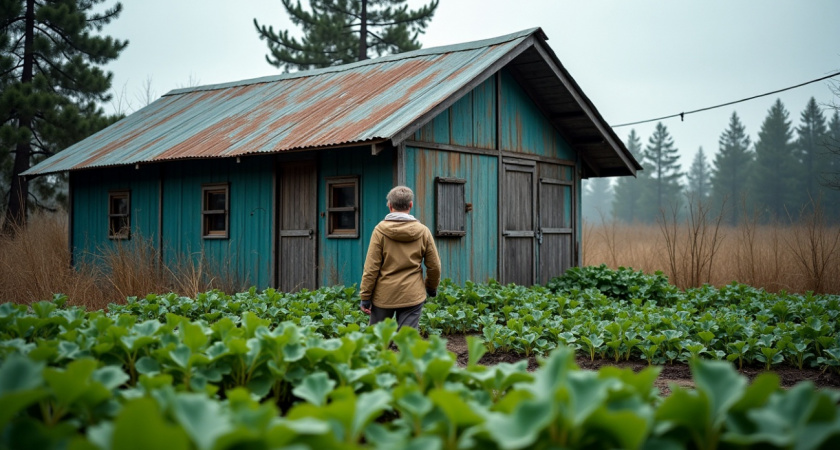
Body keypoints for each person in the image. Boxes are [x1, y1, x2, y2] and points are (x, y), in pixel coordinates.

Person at [359, 186, 440, 329]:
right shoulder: (423, 231)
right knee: (407, 342)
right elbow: (434, 265)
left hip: (383, 296)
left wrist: (365, 297)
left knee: (377, 342)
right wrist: (431, 287)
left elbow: (371, 268)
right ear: (410, 205)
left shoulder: (380, 231)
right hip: (412, 295)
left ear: (390, 206)